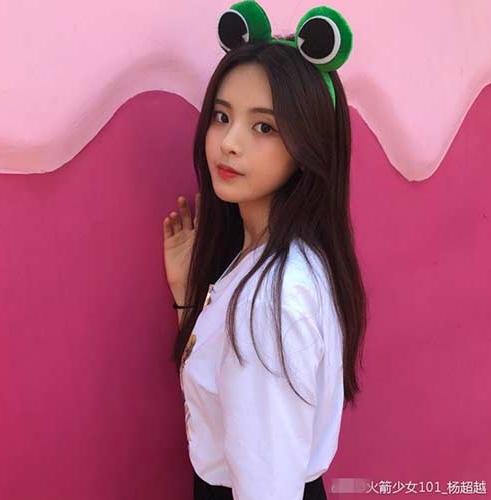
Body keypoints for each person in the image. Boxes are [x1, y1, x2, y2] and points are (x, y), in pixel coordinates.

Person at [162, 1, 367, 498]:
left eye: (264, 127)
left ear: (308, 145)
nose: (229, 143)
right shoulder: (273, 258)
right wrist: (189, 298)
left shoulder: (269, 306)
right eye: (221, 116)